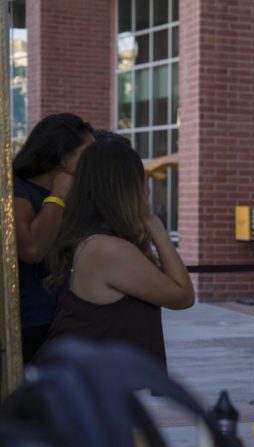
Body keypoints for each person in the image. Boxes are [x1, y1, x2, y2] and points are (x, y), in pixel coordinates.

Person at [42, 137, 195, 369]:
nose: (148, 190)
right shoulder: (108, 249)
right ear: (126, 187)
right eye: (142, 180)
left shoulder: (92, 237)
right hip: (83, 386)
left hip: (81, 381)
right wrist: (155, 227)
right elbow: (182, 296)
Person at [12, 113, 95, 362]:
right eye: (86, 154)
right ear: (63, 156)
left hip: (68, 317)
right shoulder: (17, 188)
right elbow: (31, 249)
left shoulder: (75, 195)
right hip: (34, 321)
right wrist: (58, 195)